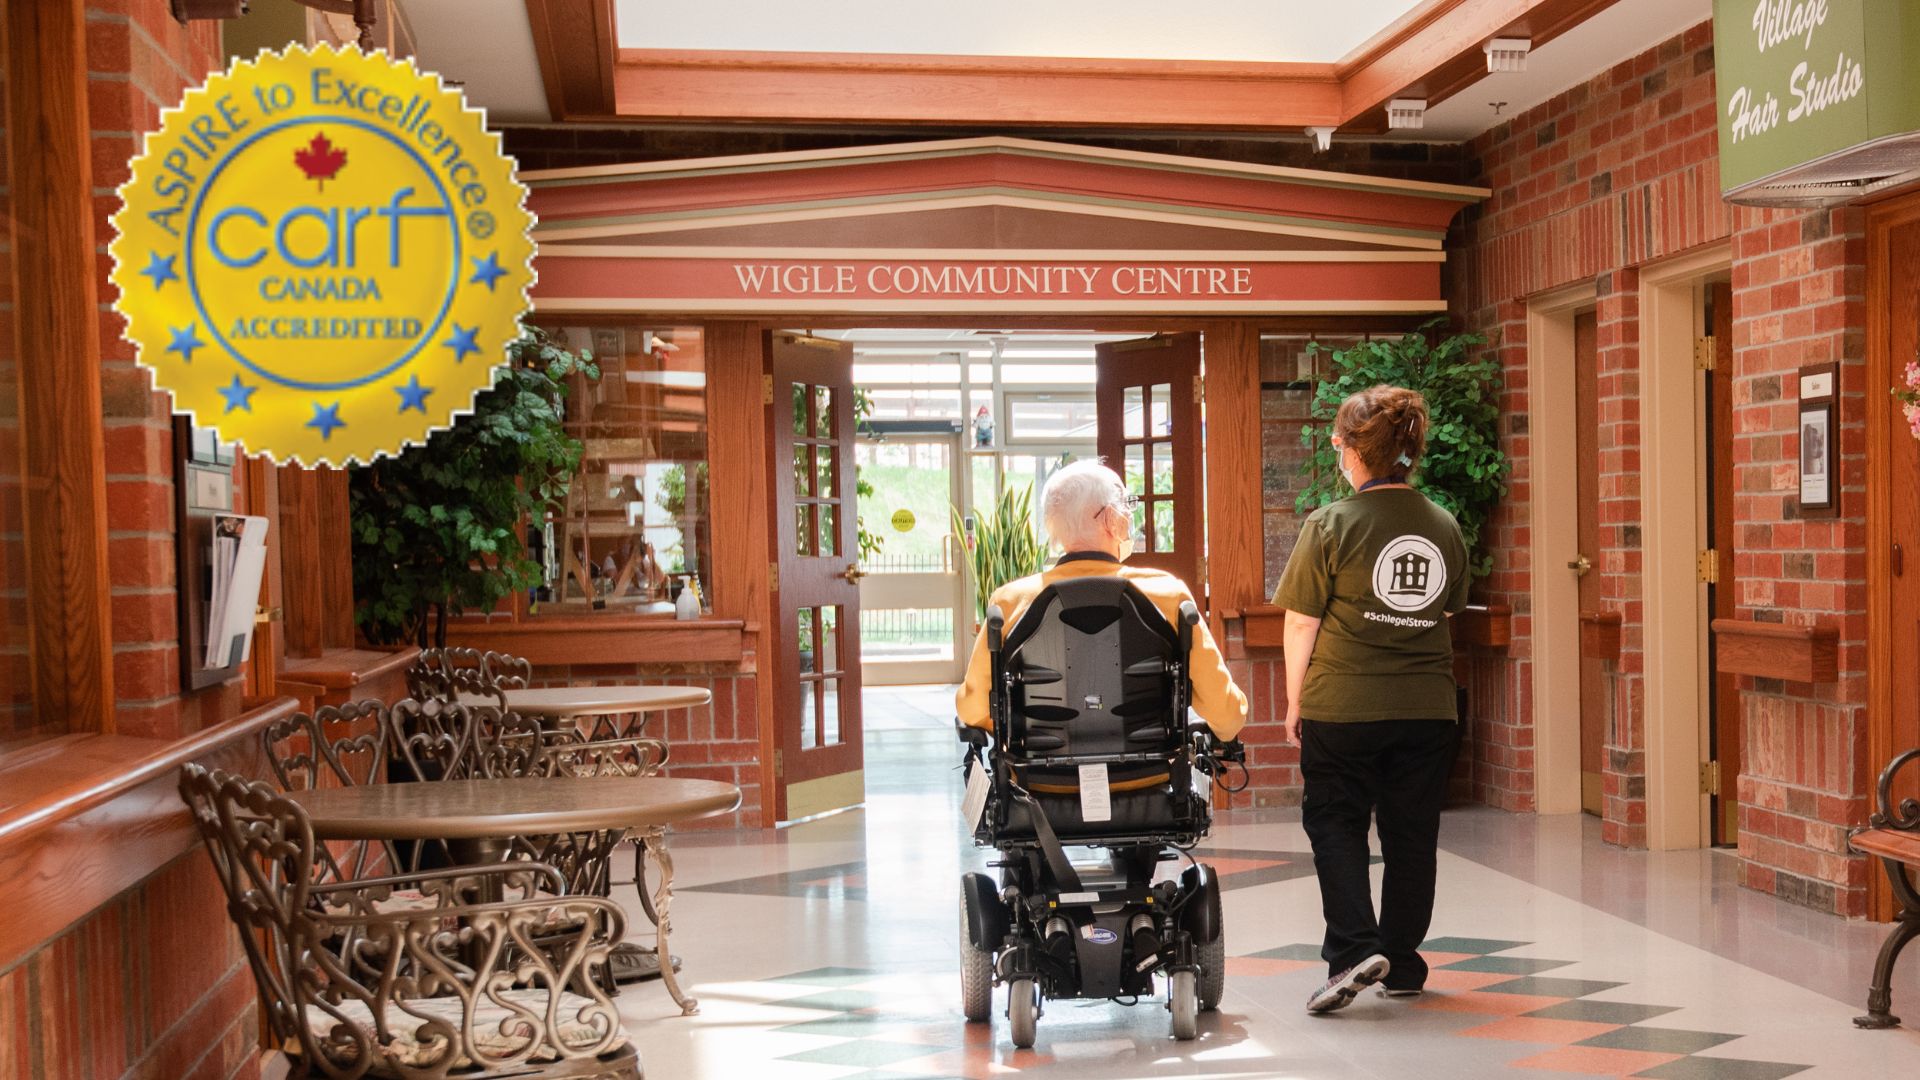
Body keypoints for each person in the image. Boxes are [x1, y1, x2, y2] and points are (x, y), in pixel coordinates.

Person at [1271, 384, 1469, 1015]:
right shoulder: (1443, 524)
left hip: (1343, 705)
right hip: (1427, 708)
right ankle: (1404, 962)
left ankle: (1355, 952)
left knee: (1337, 824)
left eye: (1338, 442)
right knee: (1413, 835)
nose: (1336, 452)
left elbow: (1302, 621)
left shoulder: (1329, 524)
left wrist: (1294, 698)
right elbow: (1449, 606)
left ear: (1356, 452)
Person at [956, 460, 1246, 742]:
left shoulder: (1010, 601)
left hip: (1041, 782)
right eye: (1125, 507)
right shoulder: (1167, 595)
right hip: (1149, 778)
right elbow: (1226, 713)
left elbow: (973, 710)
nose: (1129, 517)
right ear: (1111, 519)